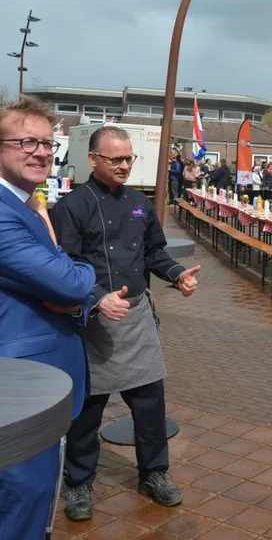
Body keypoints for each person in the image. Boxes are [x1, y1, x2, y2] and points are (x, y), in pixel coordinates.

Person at [53, 126, 202, 521]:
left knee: (151, 403)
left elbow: (154, 251)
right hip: (95, 319)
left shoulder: (139, 202)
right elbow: (64, 266)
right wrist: (97, 297)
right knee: (87, 409)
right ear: (93, 160)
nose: (123, 165)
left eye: (128, 158)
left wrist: (177, 275)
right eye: (115, 158)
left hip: (136, 317)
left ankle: (154, 474)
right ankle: (80, 483)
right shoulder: (72, 206)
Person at [0, 96, 96, 540]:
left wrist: (70, 289)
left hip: (37, 382)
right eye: (26, 142)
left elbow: (66, 289)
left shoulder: (26, 204)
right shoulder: (3, 214)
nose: (41, 152)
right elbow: (72, 282)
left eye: (46, 143)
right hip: (19, 389)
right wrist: (78, 280)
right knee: (25, 498)